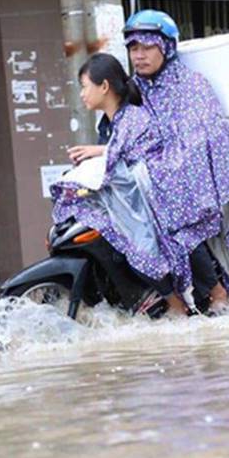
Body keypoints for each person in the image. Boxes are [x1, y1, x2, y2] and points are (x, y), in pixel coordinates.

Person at [122, 9, 229, 313]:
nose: (139, 56)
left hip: (192, 181)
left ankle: (217, 292)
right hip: (146, 178)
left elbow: (197, 139)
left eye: (147, 47)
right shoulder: (132, 89)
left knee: (171, 219)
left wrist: (162, 168)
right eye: (133, 48)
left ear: (166, 47)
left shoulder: (190, 86)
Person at [51, 52, 185, 313]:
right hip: (135, 201)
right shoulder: (109, 124)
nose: (82, 94)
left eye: (84, 87)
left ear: (104, 86)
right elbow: (113, 157)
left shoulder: (132, 117)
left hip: (160, 199)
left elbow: (124, 157)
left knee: (140, 249)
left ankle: (177, 304)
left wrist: (98, 155)